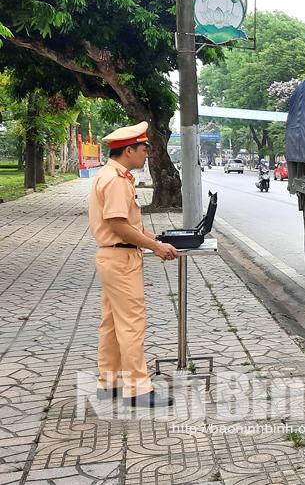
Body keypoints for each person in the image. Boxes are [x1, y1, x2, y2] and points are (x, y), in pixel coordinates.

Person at [88, 121, 178, 407]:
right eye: (144, 149)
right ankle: (138, 389)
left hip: (113, 256)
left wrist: (158, 239)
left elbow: (129, 224)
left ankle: (110, 382)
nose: (147, 154)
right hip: (120, 257)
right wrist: (154, 246)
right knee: (131, 324)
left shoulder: (112, 175)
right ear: (129, 150)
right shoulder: (116, 180)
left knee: (113, 324)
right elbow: (117, 224)